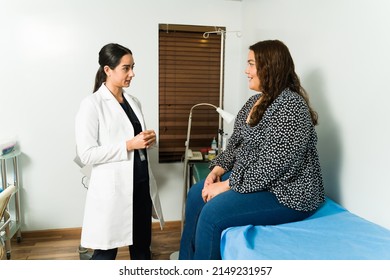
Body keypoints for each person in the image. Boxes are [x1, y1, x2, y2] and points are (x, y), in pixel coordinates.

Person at [179, 40, 324, 260]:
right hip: (256, 179)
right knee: (195, 195)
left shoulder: (291, 107)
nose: (246, 70)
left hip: (287, 192)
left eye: (251, 64)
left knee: (212, 213)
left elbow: (271, 166)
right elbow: (236, 142)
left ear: (269, 67)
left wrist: (226, 186)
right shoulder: (255, 101)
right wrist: (217, 170)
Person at [75, 43, 164, 260]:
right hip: (114, 191)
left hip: (141, 185)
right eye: (126, 68)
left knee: (143, 251)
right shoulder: (92, 104)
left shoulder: (134, 102)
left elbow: (135, 140)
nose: (132, 74)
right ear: (108, 70)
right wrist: (127, 145)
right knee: (106, 253)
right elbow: (86, 154)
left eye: (133, 67)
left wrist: (148, 141)